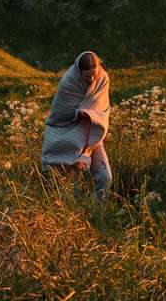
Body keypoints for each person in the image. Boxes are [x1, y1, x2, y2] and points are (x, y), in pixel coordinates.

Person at [40, 51, 112, 200]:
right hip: (68, 135)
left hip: (93, 136)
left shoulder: (102, 79)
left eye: (94, 74)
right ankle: (75, 214)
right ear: (79, 73)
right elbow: (58, 116)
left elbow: (101, 110)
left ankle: (98, 212)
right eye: (87, 76)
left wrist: (88, 116)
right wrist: (79, 115)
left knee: (105, 178)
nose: (92, 79)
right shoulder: (68, 82)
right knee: (72, 187)